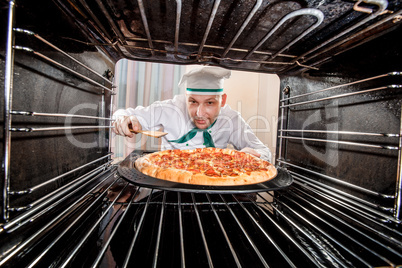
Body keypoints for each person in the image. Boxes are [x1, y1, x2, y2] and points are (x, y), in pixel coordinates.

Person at [113, 66, 272, 162]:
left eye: (210, 103)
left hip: (215, 182)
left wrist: (254, 156)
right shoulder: (171, 108)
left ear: (222, 101)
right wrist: (123, 119)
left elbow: (264, 152)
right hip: (169, 182)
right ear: (185, 98)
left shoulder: (231, 119)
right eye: (193, 102)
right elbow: (124, 114)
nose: (200, 113)